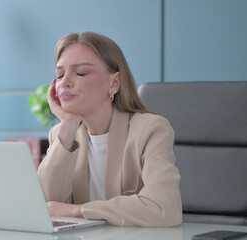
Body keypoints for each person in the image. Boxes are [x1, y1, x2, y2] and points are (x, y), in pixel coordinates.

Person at [37, 32, 182, 227]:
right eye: (60, 75)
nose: (64, 83)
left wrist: (78, 211)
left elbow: (163, 209)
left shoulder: (150, 129)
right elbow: (43, 206)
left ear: (114, 83)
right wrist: (68, 125)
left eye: (80, 73)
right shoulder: (61, 135)